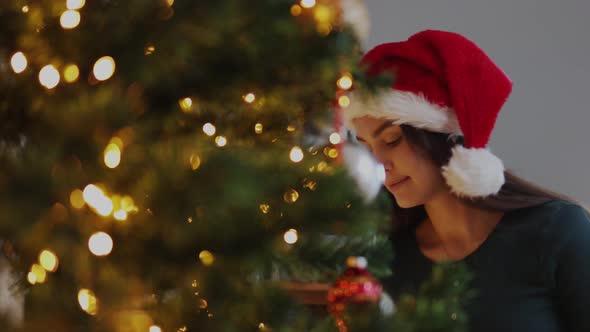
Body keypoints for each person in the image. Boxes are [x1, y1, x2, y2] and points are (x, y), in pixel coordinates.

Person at [343, 29, 590, 332]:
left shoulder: (558, 231)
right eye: (366, 147)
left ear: (442, 136)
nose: (378, 165)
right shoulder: (389, 258)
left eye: (392, 140)